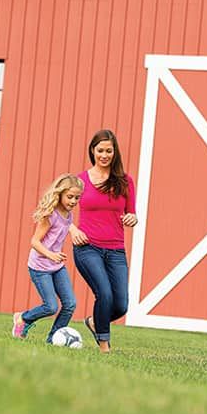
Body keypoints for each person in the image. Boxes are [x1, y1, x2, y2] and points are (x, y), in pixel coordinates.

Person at [70, 129, 138, 353]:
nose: (104, 155)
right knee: (105, 294)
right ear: (93, 151)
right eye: (100, 150)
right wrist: (72, 229)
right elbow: (59, 210)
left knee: (120, 304)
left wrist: (132, 218)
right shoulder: (79, 181)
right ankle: (104, 346)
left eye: (109, 151)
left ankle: (94, 322)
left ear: (115, 152)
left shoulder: (125, 181)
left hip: (116, 250)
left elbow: (132, 212)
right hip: (87, 247)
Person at [12, 173, 83, 343]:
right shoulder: (50, 215)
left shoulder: (69, 215)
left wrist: (74, 231)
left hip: (56, 266)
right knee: (51, 306)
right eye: (70, 197)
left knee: (70, 304)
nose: (73, 201)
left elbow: (65, 226)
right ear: (60, 195)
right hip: (39, 267)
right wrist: (51, 254)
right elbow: (34, 241)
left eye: (77, 198)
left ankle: (53, 340)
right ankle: (23, 318)